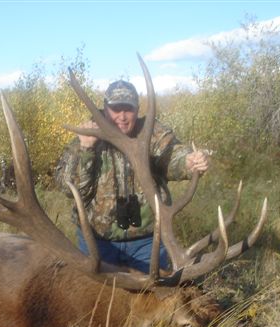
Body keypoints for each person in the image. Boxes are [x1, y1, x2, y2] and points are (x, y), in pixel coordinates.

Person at [54, 80, 210, 273]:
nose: (122, 116)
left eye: (128, 109)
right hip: (98, 244)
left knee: (150, 299)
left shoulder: (152, 132)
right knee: (99, 301)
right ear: (105, 108)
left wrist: (188, 162)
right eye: (115, 109)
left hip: (147, 244)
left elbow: (171, 156)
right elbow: (71, 189)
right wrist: (86, 149)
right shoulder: (86, 136)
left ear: (137, 109)